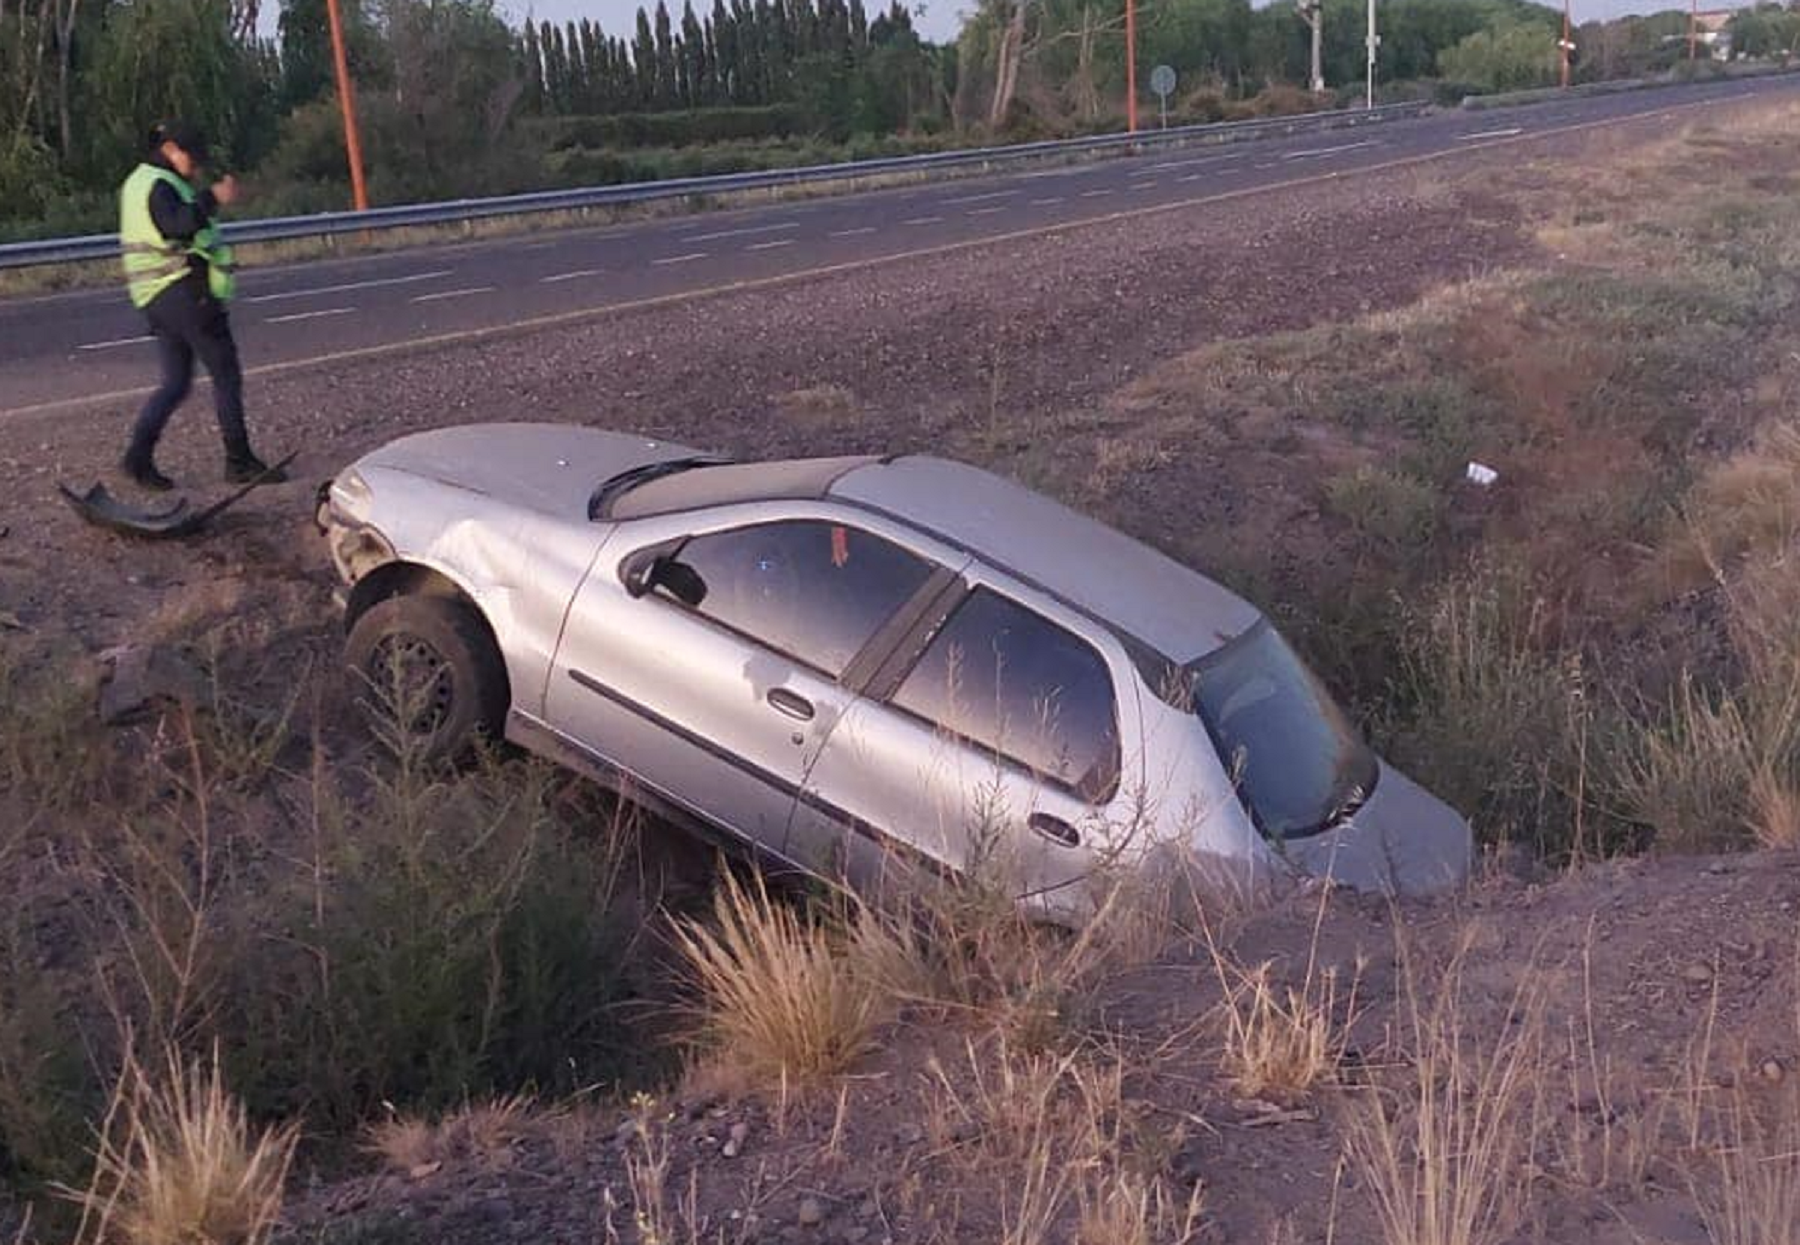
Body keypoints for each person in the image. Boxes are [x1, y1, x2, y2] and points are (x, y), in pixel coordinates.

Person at [118, 121, 285, 490]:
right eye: (193, 160)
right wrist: (212, 198)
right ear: (174, 149)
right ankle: (239, 461)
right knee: (225, 375)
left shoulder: (138, 181)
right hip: (185, 293)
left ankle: (138, 458)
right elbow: (177, 226)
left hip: (155, 298)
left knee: (175, 383)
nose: (196, 168)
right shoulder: (159, 186)